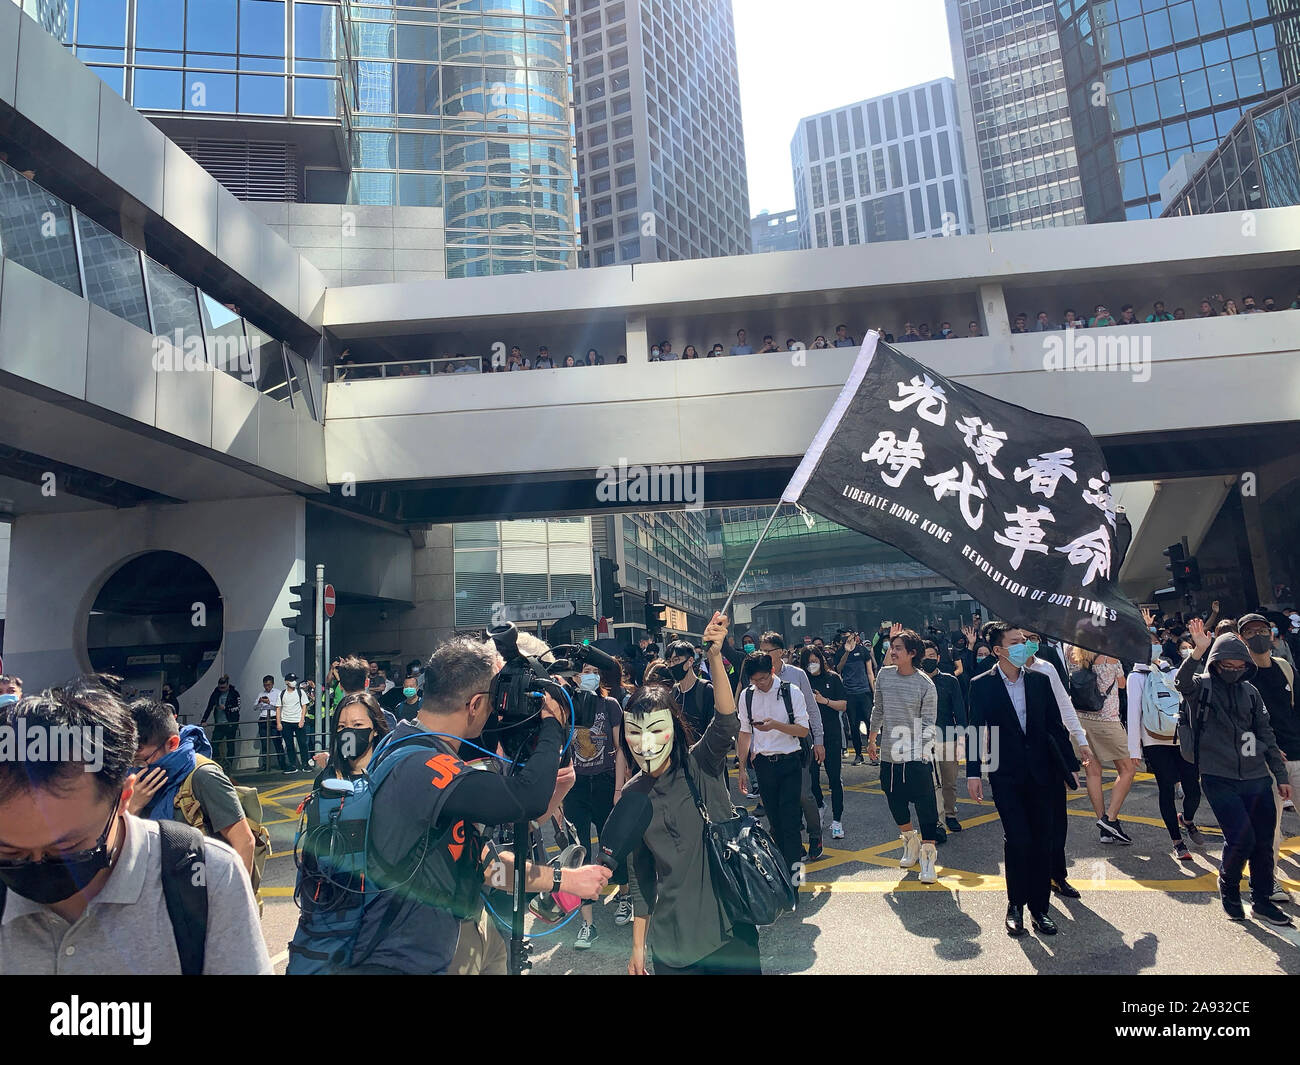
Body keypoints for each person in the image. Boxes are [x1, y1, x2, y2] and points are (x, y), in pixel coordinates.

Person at [307, 635, 609, 974]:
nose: (498, 709)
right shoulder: (427, 768)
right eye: (495, 701)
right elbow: (527, 798)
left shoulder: (403, 742)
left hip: (444, 942)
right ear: (476, 704)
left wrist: (564, 879)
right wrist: (553, 722)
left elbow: (488, 868)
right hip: (406, 960)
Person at [0, 677, 270, 974]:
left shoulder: (208, 879)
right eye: (10, 853)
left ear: (121, 797)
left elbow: (242, 837)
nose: (37, 865)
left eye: (66, 846)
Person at [623, 614, 753, 974]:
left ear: (674, 729)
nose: (645, 743)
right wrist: (638, 947)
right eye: (635, 733)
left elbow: (727, 720)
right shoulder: (633, 796)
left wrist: (714, 657)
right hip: (673, 945)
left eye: (655, 730)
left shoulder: (700, 763)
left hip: (730, 931)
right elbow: (640, 879)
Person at [1175, 622, 1293, 925]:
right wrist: (1197, 652)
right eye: (1226, 665)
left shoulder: (1250, 692)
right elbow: (1181, 681)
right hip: (1218, 776)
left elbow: (1265, 734)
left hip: (1256, 776)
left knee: (1264, 842)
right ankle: (1228, 888)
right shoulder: (1200, 687)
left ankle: (1262, 899)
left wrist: (1280, 776)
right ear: (1215, 664)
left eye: (1239, 666)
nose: (1232, 670)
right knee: (1242, 839)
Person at [967, 624, 1079, 937]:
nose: (1024, 646)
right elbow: (975, 731)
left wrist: (1071, 766)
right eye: (1016, 642)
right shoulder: (981, 685)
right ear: (998, 650)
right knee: (1018, 840)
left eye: (1026, 641)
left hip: (1043, 774)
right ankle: (1015, 905)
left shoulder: (1040, 682)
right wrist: (973, 773)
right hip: (1006, 774)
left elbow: (1055, 728)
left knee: (1043, 840)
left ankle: (1039, 909)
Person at [127, 699, 257, 881]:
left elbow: (244, 842)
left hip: (201, 896)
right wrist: (132, 807)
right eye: (132, 761)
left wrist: (232, 903)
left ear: (172, 743)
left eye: (142, 760)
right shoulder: (137, 780)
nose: (137, 768)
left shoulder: (203, 776)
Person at [867, 626, 940, 884]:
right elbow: (879, 708)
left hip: (916, 757)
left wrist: (920, 753)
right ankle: (910, 842)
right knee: (895, 802)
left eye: (898, 648)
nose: (892, 652)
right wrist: (872, 737)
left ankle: (929, 858)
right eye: (891, 647)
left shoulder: (925, 684)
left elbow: (928, 723)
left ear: (912, 653)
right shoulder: (884, 676)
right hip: (889, 754)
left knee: (926, 807)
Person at [1020, 629, 1090, 899]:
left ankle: (1057, 875)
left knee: (1056, 819)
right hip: (1018, 757)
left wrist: (1080, 740)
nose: (1027, 643)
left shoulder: (1046, 669)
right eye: (1020, 638)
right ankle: (1031, 877)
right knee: (1026, 823)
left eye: (1032, 638)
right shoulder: (998, 676)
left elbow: (1065, 706)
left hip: (1049, 752)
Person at [1236, 613, 1300, 902]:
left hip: (1297, 754)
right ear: (1241, 639)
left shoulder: (1285, 668)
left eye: (1262, 630)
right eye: (1250, 633)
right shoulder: (1240, 675)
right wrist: (1264, 748)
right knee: (1269, 825)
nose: (1258, 635)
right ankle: (1266, 880)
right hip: (1265, 762)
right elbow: (1238, 724)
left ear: (1272, 634)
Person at [1126, 627, 1202, 862]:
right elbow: (1133, 713)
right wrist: (1134, 750)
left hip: (1180, 737)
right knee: (1166, 788)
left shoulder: (1172, 671)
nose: (1152, 647)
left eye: (1155, 641)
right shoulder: (1135, 676)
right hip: (1153, 741)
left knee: (1193, 789)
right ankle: (1176, 841)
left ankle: (1187, 819)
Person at [736, 651, 810, 889]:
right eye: (755, 681)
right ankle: (779, 874)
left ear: (773, 671)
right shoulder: (747, 696)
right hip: (764, 765)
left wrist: (775, 725)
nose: (760, 684)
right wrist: (742, 768)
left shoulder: (791, 692)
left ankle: (795, 880)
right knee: (775, 822)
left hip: (789, 762)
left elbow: (802, 731)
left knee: (790, 822)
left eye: (764, 679)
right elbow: (745, 732)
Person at [566, 661, 626, 950]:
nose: (589, 675)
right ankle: (587, 924)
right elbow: (561, 750)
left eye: (594, 671)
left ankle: (624, 894)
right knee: (579, 852)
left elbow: (620, 749)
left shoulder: (610, 704)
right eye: (584, 671)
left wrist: (618, 788)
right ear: (576, 676)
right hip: (576, 784)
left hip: (604, 781)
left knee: (611, 844)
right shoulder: (569, 705)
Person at [758, 632, 825, 860]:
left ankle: (815, 834)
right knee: (780, 800)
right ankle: (793, 843)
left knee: (804, 795)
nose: (764, 655)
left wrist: (819, 740)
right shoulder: (757, 676)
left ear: (780, 652)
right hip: (771, 749)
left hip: (799, 743)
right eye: (761, 650)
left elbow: (812, 709)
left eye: (768, 651)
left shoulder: (796, 675)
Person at [1068, 646, 1135, 844]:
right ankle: (1110, 819)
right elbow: (1122, 685)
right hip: (1107, 721)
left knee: (1092, 772)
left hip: (1081, 721)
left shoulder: (1072, 654)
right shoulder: (1111, 656)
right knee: (1127, 770)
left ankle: (1104, 827)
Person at [920, 640, 966, 836]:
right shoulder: (915, 681)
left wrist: (962, 741)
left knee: (949, 780)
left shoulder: (950, 681)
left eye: (932, 656)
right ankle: (937, 820)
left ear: (938, 658)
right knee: (930, 783)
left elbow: (960, 713)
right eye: (925, 656)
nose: (928, 659)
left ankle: (950, 814)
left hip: (947, 737)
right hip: (923, 740)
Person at [802, 646, 847, 841]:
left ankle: (837, 821)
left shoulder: (833, 678)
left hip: (832, 735)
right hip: (810, 737)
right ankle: (820, 806)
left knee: (834, 778)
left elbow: (843, 705)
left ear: (821, 660)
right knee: (812, 779)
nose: (813, 664)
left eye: (815, 660)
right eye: (809, 661)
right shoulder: (803, 681)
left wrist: (823, 701)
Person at [310, 691, 391, 791]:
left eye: (357, 725)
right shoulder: (326, 780)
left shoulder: (390, 776)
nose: (348, 732)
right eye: (341, 726)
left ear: (376, 729)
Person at [665, 640, 714, 738]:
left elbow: (714, 730)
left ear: (690, 661)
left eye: (676, 660)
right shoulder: (673, 693)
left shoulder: (706, 690)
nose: (672, 665)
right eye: (669, 661)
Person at [200, 674, 240, 770]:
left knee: (230, 745)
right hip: (219, 723)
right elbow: (209, 707)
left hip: (230, 723)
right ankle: (219, 763)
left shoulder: (234, 693)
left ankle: (228, 765)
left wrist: (226, 708)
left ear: (227, 685)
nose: (222, 689)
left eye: (224, 687)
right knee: (214, 744)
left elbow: (238, 707)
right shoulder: (216, 693)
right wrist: (204, 720)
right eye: (220, 687)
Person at [277, 672, 310, 774]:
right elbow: (278, 708)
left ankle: (305, 764)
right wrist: (279, 723)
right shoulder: (282, 694)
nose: (294, 682)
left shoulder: (300, 692)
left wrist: (302, 720)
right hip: (286, 721)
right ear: (286, 682)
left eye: (294, 680)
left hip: (297, 721)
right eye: (291, 680)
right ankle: (292, 765)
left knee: (302, 743)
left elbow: (304, 706)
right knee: (289, 744)